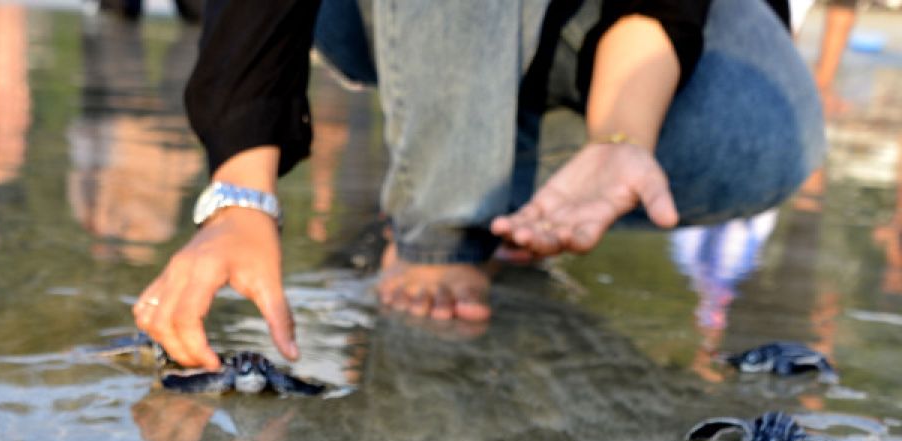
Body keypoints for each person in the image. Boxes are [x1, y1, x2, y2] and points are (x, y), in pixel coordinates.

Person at [134, 0, 824, 369]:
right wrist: (240, 190)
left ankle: (512, 185)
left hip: (611, 21)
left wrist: (623, 138)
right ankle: (448, 224)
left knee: (757, 135)